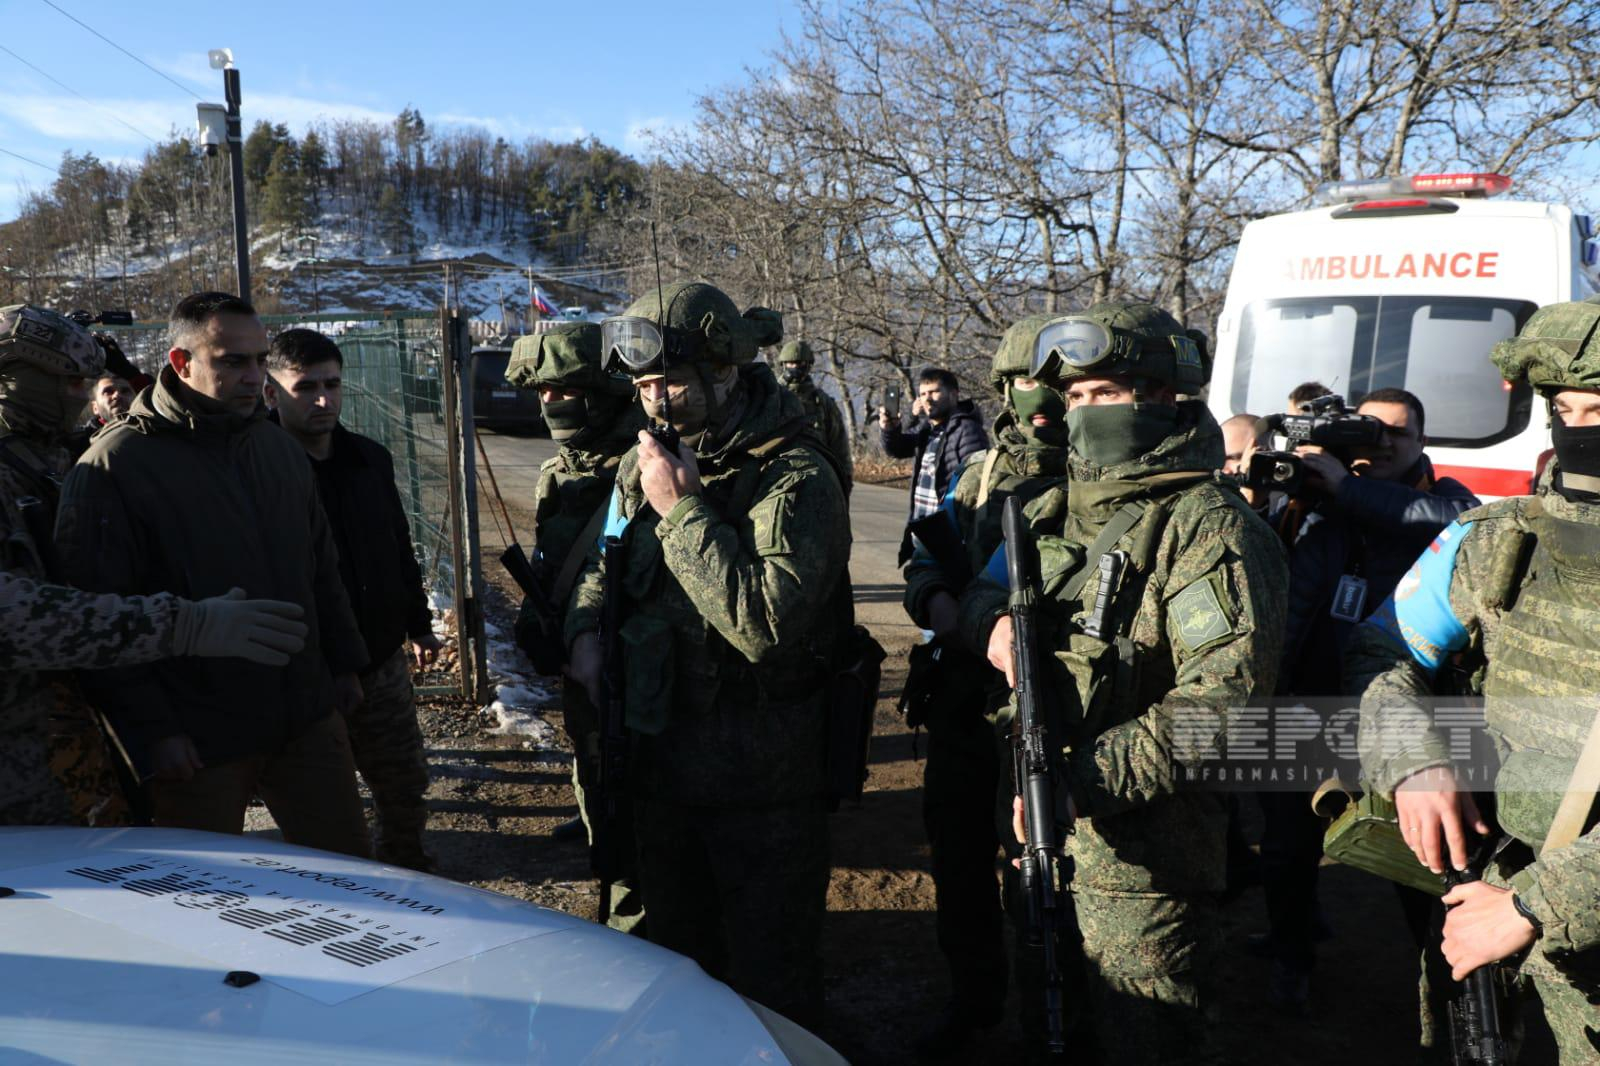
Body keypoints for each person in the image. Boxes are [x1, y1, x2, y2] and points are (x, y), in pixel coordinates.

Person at [969, 302, 1286, 1063]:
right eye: (1073, 398)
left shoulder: (1211, 527)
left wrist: (1078, 783)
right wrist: (992, 627)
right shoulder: (1051, 507)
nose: (1083, 413)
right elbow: (986, 586)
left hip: (1148, 869)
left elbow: (1222, 707)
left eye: (1103, 395)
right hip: (1040, 841)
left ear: (1159, 394)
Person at [565, 280, 849, 1028]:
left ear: (725, 371)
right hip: (661, 765)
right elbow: (604, 566)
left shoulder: (796, 477)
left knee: (769, 987)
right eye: (645, 384)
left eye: (674, 382)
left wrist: (683, 510)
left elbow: (763, 623)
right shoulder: (648, 460)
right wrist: (586, 633)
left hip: (761, 782)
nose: (657, 400)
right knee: (674, 967)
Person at [1347, 297, 1600, 1065]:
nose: (1582, 429)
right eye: (1566, 409)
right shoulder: (1495, 538)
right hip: (1489, 908)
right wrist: (1413, 759)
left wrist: (1539, 905)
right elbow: (1382, 655)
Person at [55, 292, 372, 858]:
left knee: (349, 871)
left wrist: (345, 664)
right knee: (206, 901)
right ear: (182, 363)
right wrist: (153, 733)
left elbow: (321, 564)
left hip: (303, 712)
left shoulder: (277, 448)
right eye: (233, 361)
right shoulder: (113, 466)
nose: (255, 376)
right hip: (197, 736)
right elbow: (94, 613)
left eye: (259, 358)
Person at [0, 304, 308, 826]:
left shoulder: (46, 456)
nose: (83, 397)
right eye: (69, 383)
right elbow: (15, 616)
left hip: (63, 745)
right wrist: (185, 624)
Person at [1259, 387, 1479, 1008]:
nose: (1380, 444)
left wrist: (1347, 490)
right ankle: (1292, 957)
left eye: (1396, 435)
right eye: (1368, 431)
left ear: (1423, 443)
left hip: (1408, 713)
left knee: (1423, 862)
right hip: (1310, 704)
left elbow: (1453, 527)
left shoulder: (1447, 500)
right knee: (1285, 850)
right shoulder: (1317, 500)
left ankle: (1452, 985)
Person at [900, 315, 1072, 1058]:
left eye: (1062, 384)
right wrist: (944, 606)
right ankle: (974, 1002)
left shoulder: (1092, 476)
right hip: (967, 702)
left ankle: (1053, 1017)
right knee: (960, 865)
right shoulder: (980, 473)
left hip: (1050, 710)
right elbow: (923, 559)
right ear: (1006, 389)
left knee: (1043, 876)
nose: (1046, 399)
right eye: (1031, 382)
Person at [263, 327, 444, 870]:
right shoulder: (258, 470)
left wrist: (417, 624)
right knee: (321, 798)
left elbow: (395, 547)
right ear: (271, 392)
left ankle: (408, 870)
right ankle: (341, 888)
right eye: (306, 387)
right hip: (305, 667)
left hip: (379, 656)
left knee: (403, 780)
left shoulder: (369, 460)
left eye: (333, 384)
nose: (324, 399)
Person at [504, 320, 646, 931]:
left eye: (560, 391)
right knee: (594, 782)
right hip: (578, 657)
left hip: (627, 665)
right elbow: (553, 560)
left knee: (631, 810)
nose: (547, 403)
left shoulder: (637, 465)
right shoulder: (562, 467)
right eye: (540, 392)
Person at [880, 366, 988, 562]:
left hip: (947, 537)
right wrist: (891, 429)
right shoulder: (929, 428)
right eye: (922, 394)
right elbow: (897, 449)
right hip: (923, 531)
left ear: (954, 394)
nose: (927, 399)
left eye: (934, 392)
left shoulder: (968, 430)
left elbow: (976, 488)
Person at [776, 340, 852, 494]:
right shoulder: (771, 397)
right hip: (777, 472)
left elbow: (839, 444)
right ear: (784, 365)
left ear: (808, 366)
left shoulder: (822, 402)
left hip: (816, 474)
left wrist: (845, 478)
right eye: (791, 363)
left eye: (800, 363)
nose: (795, 367)